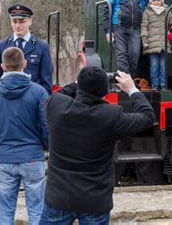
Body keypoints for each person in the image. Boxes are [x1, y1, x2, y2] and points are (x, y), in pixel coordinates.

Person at [39, 66, 155, 225]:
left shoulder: (55, 105)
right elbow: (148, 117)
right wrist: (132, 89)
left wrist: (78, 83)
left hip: (59, 198)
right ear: (105, 92)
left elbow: (60, 94)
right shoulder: (111, 116)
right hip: (95, 201)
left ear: (79, 87)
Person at [0, 47, 49, 224]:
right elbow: (46, 126)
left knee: (5, 211)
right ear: (24, 64)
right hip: (33, 158)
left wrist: (2, 142)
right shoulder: (38, 91)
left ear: (3, 66)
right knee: (36, 209)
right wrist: (42, 145)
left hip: (6, 159)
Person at [0, 4, 53, 95]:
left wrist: (42, 105)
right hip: (8, 101)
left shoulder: (42, 47)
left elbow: (46, 83)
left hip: (32, 102)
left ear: (30, 21)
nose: (18, 25)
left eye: (22, 21)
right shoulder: (2, 46)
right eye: (14, 22)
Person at [104, 0, 148, 78]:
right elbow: (107, 11)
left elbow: (144, 4)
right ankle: (124, 81)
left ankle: (130, 80)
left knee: (134, 54)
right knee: (121, 54)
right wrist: (108, 31)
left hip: (136, 28)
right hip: (119, 27)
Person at [141, 0, 172, 91]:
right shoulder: (147, 13)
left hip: (163, 44)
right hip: (151, 44)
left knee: (163, 66)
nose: (156, 2)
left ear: (162, 0)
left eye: (158, 0)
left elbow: (171, 25)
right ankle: (155, 86)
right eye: (154, 0)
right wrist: (144, 41)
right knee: (154, 66)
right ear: (150, 1)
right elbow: (144, 28)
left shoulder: (167, 11)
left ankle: (163, 85)